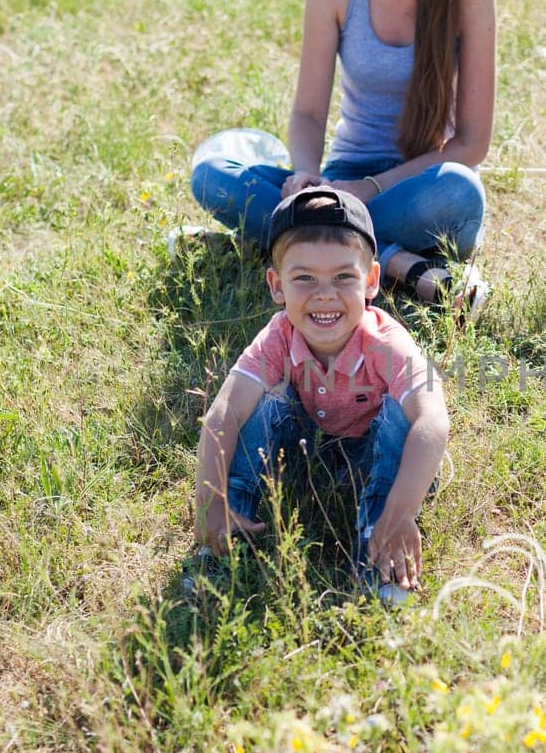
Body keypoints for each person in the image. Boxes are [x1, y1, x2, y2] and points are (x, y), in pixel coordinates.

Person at [190, 0, 495, 312]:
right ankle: (399, 263)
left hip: (422, 186)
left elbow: (470, 146)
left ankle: (298, 242)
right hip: (341, 177)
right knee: (211, 175)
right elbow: (309, 113)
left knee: (460, 189)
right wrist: (310, 175)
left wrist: (365, 192)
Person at [190, 188, 449, 605]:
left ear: (371, 282)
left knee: (401, 416)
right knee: (261, 404)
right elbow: (225, 412)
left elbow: (434, 421)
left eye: (343, 277)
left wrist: (402, 511)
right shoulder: (278, 335)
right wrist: (209, 498)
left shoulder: (388, 343)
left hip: (379, 457)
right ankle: (225, 532)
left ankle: (379, 545)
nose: (324, 294)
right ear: (277, 285)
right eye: (304, 278)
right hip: (308, 449)